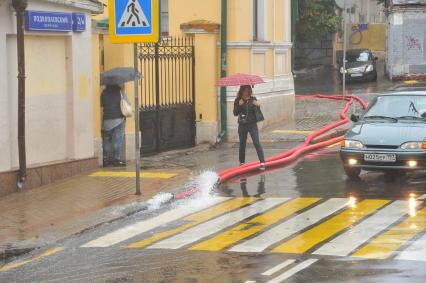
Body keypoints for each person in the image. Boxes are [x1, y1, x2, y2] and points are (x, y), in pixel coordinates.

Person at [233, 85, 266, 170]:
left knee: (256, 142)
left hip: (252, 125)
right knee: (242, 144)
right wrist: (239, 105)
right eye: (245, 91)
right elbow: (235, 113)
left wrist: (258, 105)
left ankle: (262, 162)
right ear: (242, 91)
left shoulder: (253, 99)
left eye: (248, 91)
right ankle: (242, 163)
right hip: (242, 125)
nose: (246, 92)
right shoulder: (238, 100)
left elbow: (257, 111)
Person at [101, 84, 128, 167]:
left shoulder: (103, 93)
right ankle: (116, 160)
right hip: (119, 119)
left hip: (107, 119)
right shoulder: (121, 93)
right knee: (118, 140)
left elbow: (101, 104)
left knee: (106, 139)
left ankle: (105, 159)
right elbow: (128, 103)